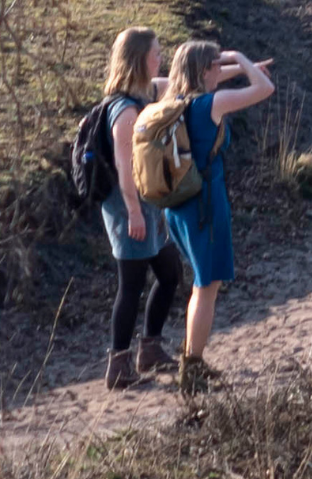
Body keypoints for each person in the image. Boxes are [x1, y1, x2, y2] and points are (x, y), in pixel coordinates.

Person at [132, 38, 279, 391]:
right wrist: (239, 55)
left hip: (179, 208)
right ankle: (192, 367)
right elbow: (265, 89)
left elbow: (203, 75)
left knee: (201, 282)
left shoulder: (171, 99)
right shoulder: (212, 104)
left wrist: (233, 64)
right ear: (204, 71)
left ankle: (191, 357)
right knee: (207, 285)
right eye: (215, 65)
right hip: (206, 207)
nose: (220, 70)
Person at [89, 26, 178, 389]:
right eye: (156, 53)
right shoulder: (125, 112)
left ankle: (150, 350)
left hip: (147, 203)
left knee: (170, 273)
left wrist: (231, 64)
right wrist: (136, 214)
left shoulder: (146, 94)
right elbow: (125, 168)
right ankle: (119, 366)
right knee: (131, 286)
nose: (161, 58)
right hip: (128, 206)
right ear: (140, 59)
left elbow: (181, 82)